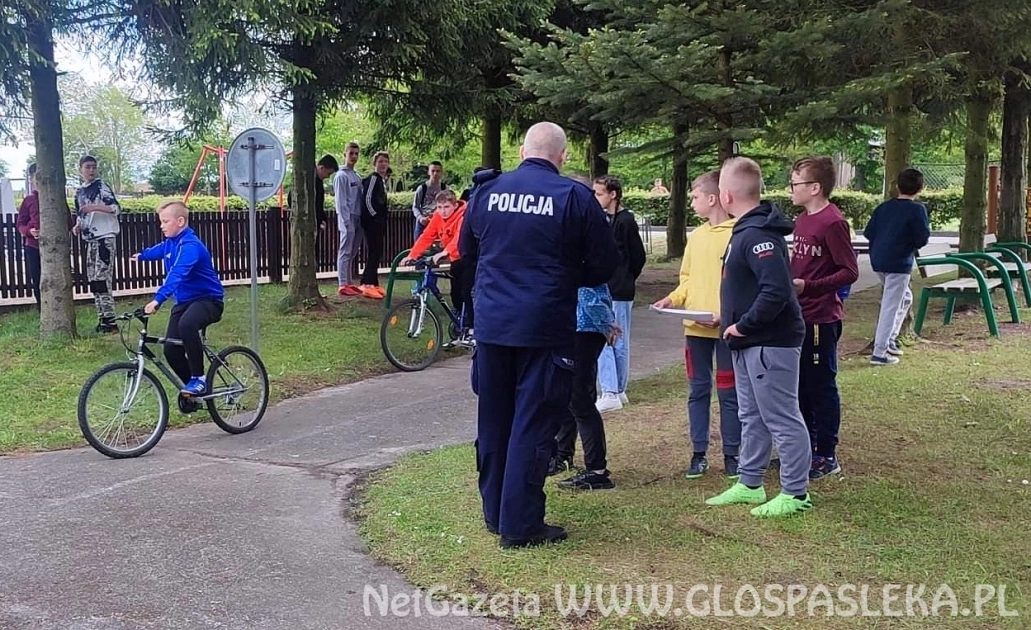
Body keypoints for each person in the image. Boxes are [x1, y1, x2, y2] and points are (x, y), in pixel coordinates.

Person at [460, 121, 618, 548]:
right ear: (562, 156)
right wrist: (567, 276)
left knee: (493, 420)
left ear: (522, 151)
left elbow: (468, 252)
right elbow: (605, 265)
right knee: (534, 421)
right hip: (544, 327)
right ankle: (521, 523)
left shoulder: (487, 192)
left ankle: (495, 513)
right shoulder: (573, 196)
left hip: (493, 326)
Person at [704, 156, 812, 518]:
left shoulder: (758, 235)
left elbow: (776, 291)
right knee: (752, 415)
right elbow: (749, 287)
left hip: (770, 343)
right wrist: (729, 317)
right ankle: (750, 484)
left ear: (727, 195)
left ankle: (795, 493)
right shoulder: (745, 231)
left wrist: (744, 324)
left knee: (781, 417)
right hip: (747, 341)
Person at [652, 170, 740, 480]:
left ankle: (733, 453)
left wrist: (726, 314)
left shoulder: (737, 233)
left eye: (695, 197)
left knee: (729, 393)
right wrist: (672, 300)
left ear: (713, 198)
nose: (692, 203)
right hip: (695, 330)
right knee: (698, 390)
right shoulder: (698, 236)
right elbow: (687, 279)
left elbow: (742, 284)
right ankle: (698, 452)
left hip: (726, 330)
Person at [788, 156, 859, 480]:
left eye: (795, 184)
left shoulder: (833, 222)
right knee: (799, 386)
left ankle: (826, 454)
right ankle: (805, 447)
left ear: (815, 187)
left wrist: (810, 286)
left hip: (821, 319)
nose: (790, 190)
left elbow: (849, 271)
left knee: (821, 387)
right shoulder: (802, 220)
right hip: (798, 316)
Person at [132, 200, 225, 399]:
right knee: (171, 349)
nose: (161, 225)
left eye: (165, 221)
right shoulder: (171, 242)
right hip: (184, 303)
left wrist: (158, 300)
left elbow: (177, 273)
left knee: (187, 325)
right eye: (161, 221)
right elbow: (160, 250)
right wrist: (142, 256)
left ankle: (199, 379)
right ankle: (191, 391)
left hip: (209, 300)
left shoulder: (191, 246)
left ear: (180, 221)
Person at [550, 282, 621, 490]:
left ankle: (597, 470)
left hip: (584, 328)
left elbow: (588, 293)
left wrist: (607, 323)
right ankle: (564, 455)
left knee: (580, 400)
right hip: (574, 326)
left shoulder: (579, 255)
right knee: (568, 394)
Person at [863, 168, 931, 365]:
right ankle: (880, 351)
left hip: (878, 260)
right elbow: (921, 239)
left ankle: (890, 339)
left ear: (897, 186)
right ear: (920, 188)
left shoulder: (883, 208)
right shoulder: (917, 210)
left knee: (905, 297)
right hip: (899, 263)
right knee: (890, 305)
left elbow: (869, 233)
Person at [593, 175, 647, 412]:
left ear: (612, 194)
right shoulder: (607, 220)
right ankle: (617, 388)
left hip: (618, 288)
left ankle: (611, 390)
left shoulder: (625, 221)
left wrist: (626, 277)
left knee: (609, 338)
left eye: (600, 193)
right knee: (614, 338)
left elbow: (637, 256)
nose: (596, 198)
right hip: (611, 285)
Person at [402, 189, 474, 343]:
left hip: (470, 257)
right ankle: (460, 327)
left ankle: (472, 329)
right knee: (455, 294)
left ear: (454, 205)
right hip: (455, 259)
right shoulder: (437, 217)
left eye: (446, 207)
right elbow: (427, 236)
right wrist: (412, 255)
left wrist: (444, 252)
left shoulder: (463, 216)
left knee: (467, 291)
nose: (443, 211)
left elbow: (459, 239)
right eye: (440, 207)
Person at [72, 155, 121, 333]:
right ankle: (102, 318)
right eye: (87, 167)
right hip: (90, 239)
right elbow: (81, 214)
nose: (91, 170)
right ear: (80, 169)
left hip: (105, 238)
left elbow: (115, 208)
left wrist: (94, 207)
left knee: (102, 278)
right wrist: (77, 226)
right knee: (93, 280)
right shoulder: (79, 192)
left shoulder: (102, 187)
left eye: (93, 167)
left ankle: (111, 321)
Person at [359, 151, 390, 299]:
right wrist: (375, 216)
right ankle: (367, 283)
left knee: (377, 251)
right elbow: (367, 199)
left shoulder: (382, 181)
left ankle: (373, 281)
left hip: (379, 222)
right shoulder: (373, 179)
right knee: (373, 251)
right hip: (371, 222)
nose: (383, 164)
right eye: (380, 162)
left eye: (385, 162)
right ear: (375, 164)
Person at [334, 142, 364, 297]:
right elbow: (341, 201)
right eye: (351, 153)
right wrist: (346, 221)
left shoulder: (357, 176)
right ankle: (342, 283)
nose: (354, 156)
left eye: (356, 154)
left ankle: (349, 281)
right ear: (344, 154)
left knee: (352, 251)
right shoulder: (341, 176)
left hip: (358, 217)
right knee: (345, 250)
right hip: (348, 218)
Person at [15, 164, 43, 308]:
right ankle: (42, 310)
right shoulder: (29, 200)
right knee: (37, 279)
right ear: (31, 179)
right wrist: (29, 231)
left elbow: (68, 220)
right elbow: (20, 223)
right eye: (36, 177)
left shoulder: (57, 198)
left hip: (55, 246)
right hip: (33, 246)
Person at [412, 161, 446, 240]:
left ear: (441, 173)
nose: (435, 174)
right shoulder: (422, 188)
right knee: (419, 247)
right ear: (429, 172)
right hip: (423, 222)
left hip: (439, 222)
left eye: (438, 171)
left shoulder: (445, 189)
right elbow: (415, 206)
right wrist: (420, 218)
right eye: (433, 171)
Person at [314, 154, 338, 232]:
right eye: (328, 174)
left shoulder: (319, 182)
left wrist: (322, 218)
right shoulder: (309, 181)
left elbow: (319, 204)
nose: (328, 177)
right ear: (322, 168)